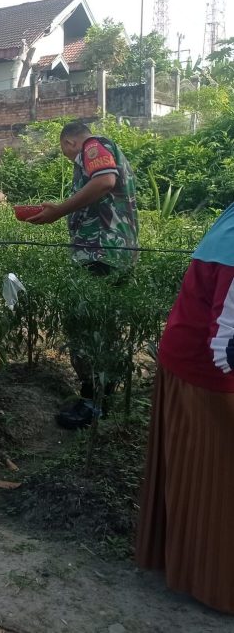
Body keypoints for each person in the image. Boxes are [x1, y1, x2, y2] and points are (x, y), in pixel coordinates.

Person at [135, 204, 234, 614]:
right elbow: (227, 345)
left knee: (200, 474)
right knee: (216, 481)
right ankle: (213, 581)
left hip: (198, 365)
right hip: (209, 374)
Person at [27, 121, 138, 428]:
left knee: (85, 325)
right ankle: (104, 401)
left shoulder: (92, 146)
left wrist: (59, 210)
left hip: (99, 253)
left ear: (68, 143)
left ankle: (91, 403)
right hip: (116, 252)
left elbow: (103, 181)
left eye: (65, 152)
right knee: (106, 326)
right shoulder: (104, 149)